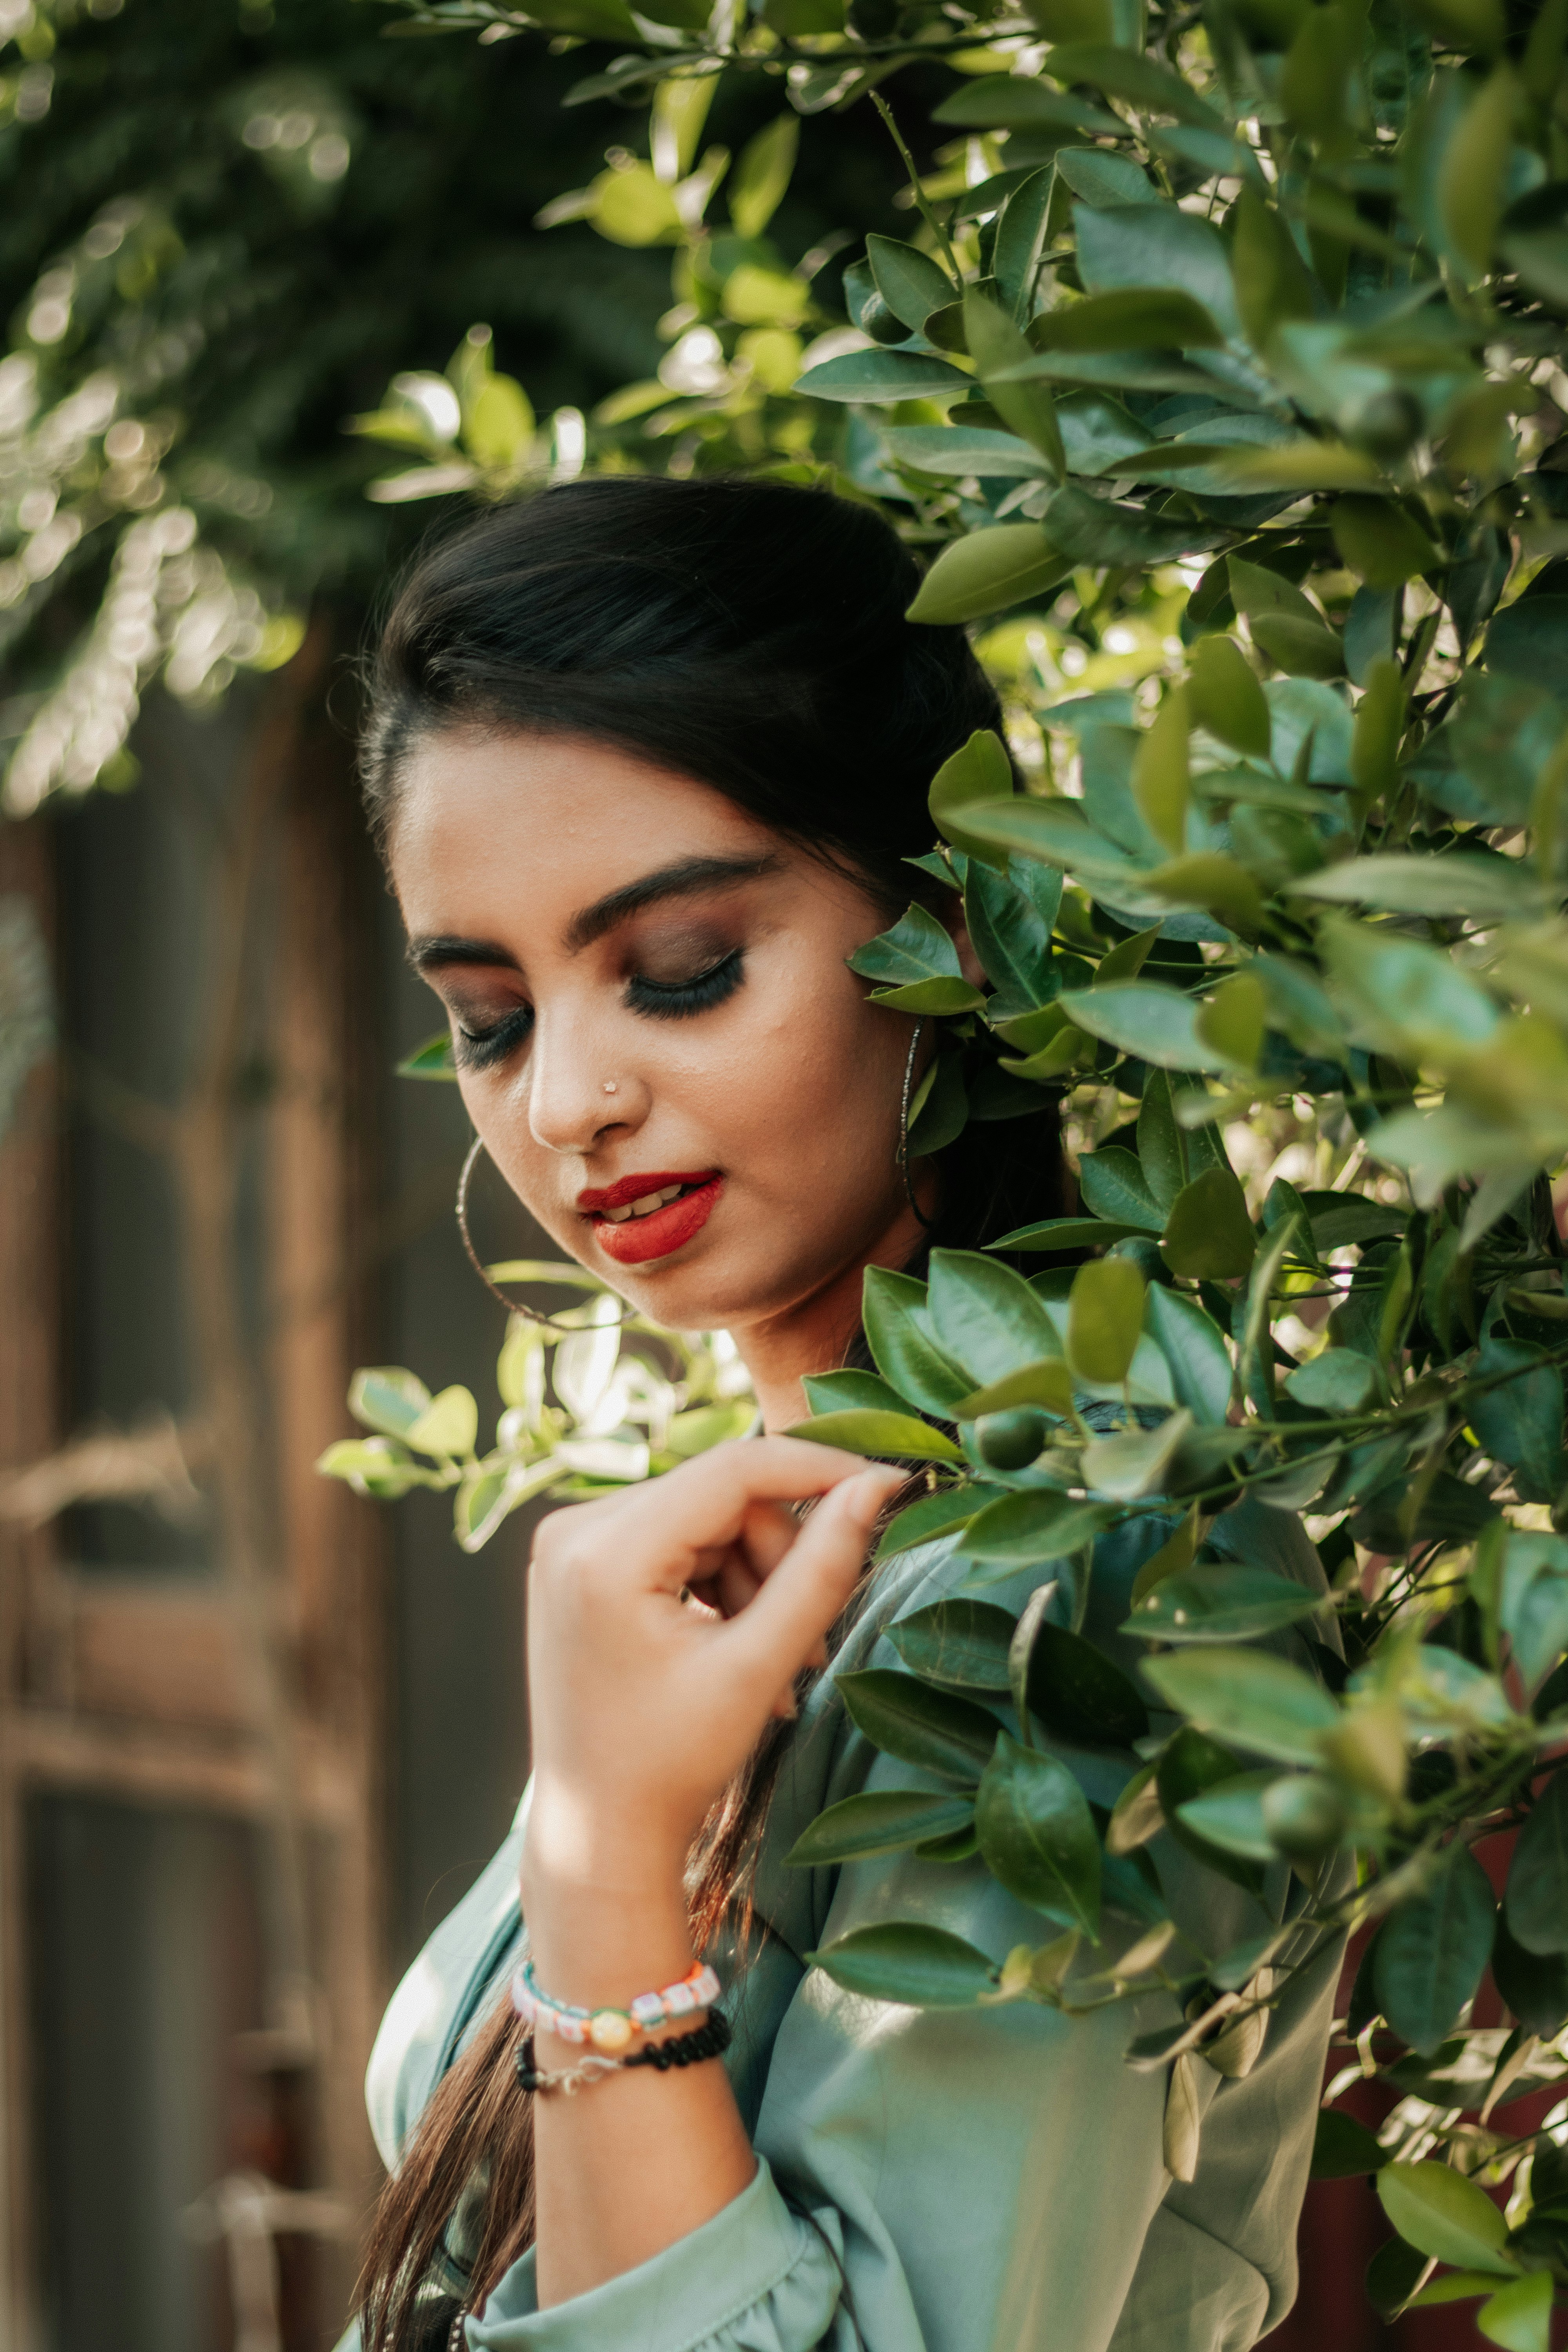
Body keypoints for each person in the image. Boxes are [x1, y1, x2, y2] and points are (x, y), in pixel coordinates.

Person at [341, 476, 1339, 2352]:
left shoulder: (1091, 1583)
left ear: (952, 927)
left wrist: (605, 1877)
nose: (563, 1104)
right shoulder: (747, 1554)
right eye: (489, 1014)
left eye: (683, 972)